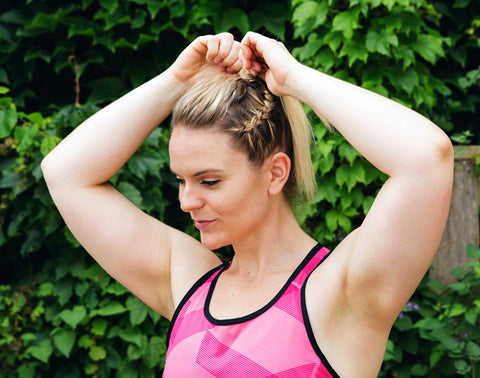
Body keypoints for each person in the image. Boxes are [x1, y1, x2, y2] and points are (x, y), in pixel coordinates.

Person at [41, 32, 453, 377]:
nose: (187, 200)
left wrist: (295, 78)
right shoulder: (187, 285)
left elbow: (426, 158)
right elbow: (65, 173)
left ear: (275, 173)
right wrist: (176, 81)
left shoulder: (340, 294)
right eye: (181, 180)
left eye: (210, 181)